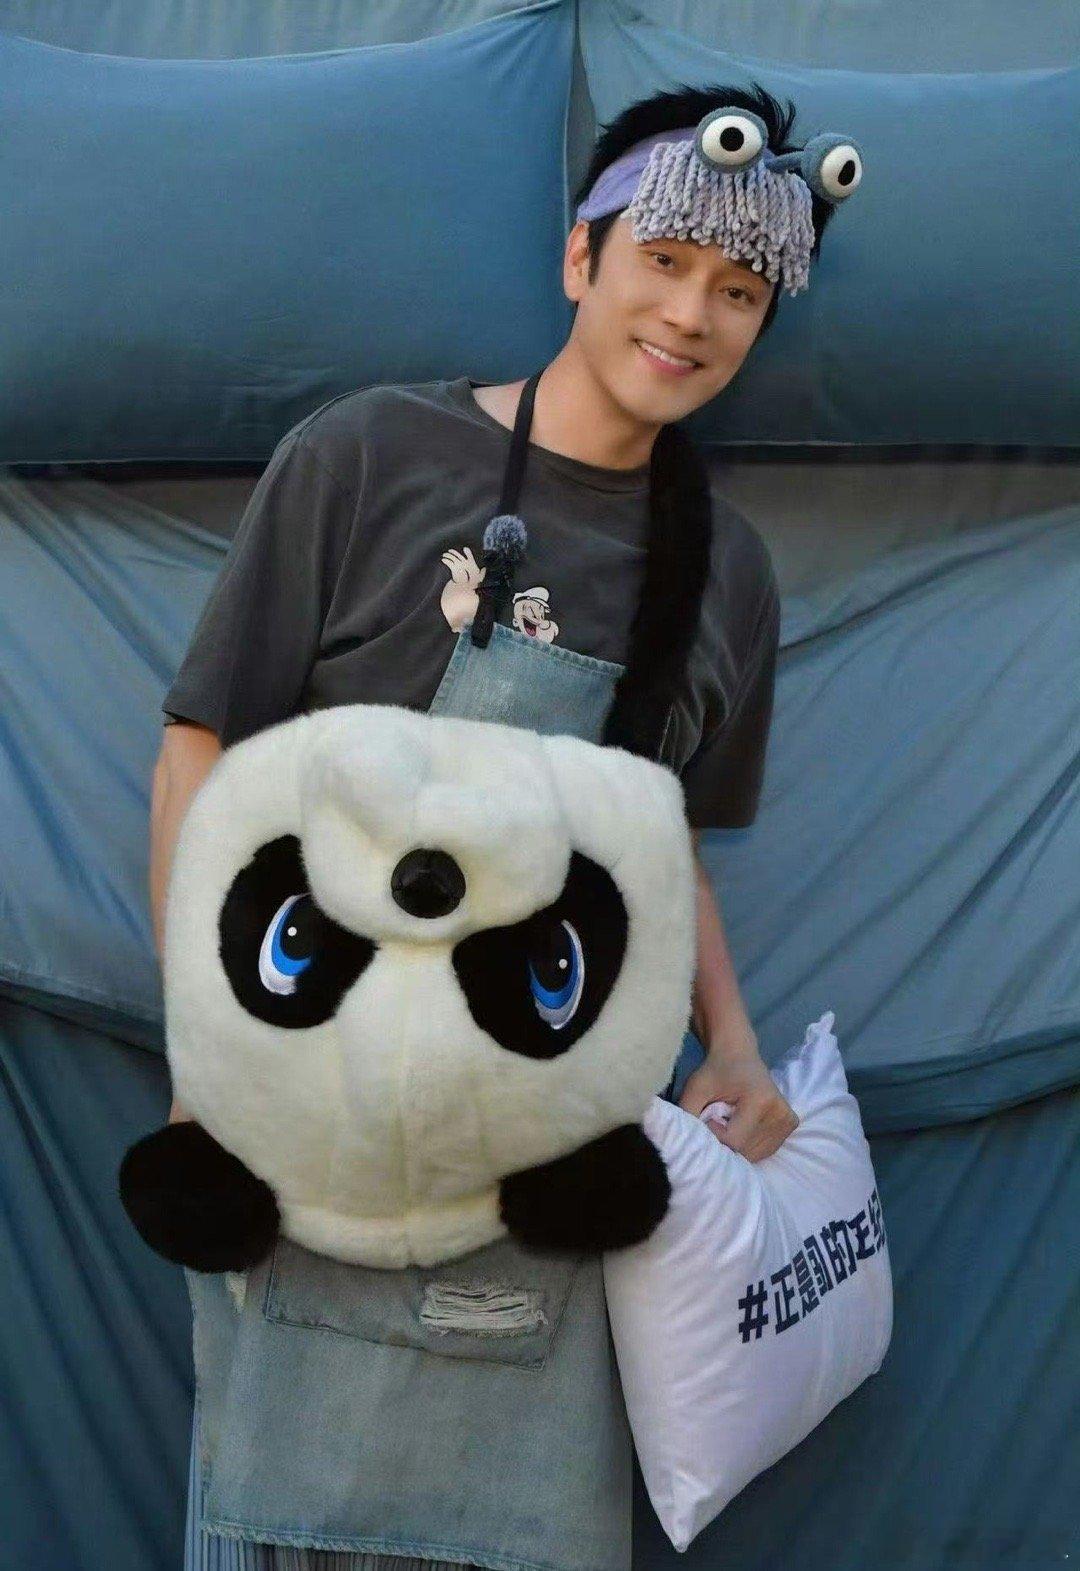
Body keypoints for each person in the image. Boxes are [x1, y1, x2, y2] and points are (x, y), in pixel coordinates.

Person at [149, 80, 861, 1571]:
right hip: (311, 1139)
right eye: (664, 260)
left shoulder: (729, 577)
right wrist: (209, 1067)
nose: (692, 315)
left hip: (546, 1175)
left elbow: (657, 851)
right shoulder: (366, 455)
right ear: (579, 256)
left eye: (740, 292)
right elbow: (201, 750)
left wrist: (733, 1046)